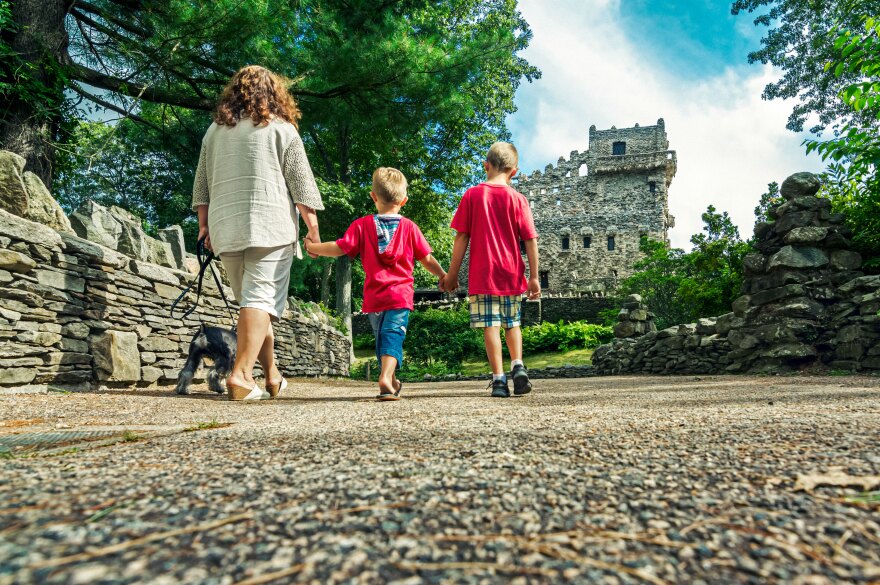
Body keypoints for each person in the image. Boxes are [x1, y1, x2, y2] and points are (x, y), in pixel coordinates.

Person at [191, 65, 324, 401]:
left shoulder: (214, 132)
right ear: (274, 93)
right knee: (259, 301)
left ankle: (273, 375)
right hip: (270, 225)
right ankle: (241, 375)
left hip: (226, 228)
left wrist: (203, 226)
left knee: (255, 303)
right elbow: (301, 185)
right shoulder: (282, 129)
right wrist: (313, 229)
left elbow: (201, 186)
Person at [305, 167, 446, 401]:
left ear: (373, 196)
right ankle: (385, 377)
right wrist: (442, 275)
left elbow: (340, 247)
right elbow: (426, 258)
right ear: (404, 200)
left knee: (382, 337)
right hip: (399, 295)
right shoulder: (410, 227)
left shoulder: (362, 225)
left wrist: (313, 248)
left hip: (374, 297)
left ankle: (390, 380)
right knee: (393, 335)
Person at [440, 142, 540, 398]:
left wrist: (451, 274)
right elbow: (530, 240)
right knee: (512, 324)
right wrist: (534, 277)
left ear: (486, 166)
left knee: (491, 327)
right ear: (514, 172)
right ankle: (518, 365)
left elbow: (461, 238)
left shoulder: (472, 195)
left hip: (483, 276)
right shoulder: (519, 199)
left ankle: (498, 380)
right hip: (511, 273)